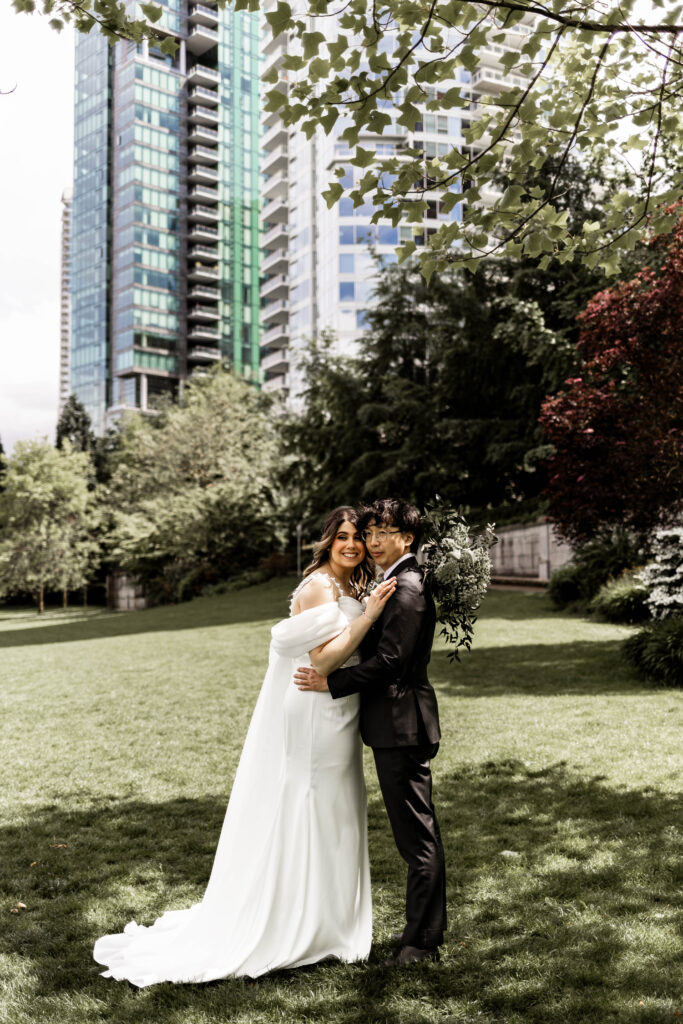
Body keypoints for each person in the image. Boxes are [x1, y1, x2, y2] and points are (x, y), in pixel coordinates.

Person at [93, 507, 396, 986]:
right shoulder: (321, 586)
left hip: (338, 711)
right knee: (313, 806)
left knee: (336, 809)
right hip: (317, 710)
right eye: (342, 537)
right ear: (327, 541)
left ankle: (326, 919)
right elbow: (324, 660)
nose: (352, 545)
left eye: (358, 537)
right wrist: (372, 615)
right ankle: (300, 924)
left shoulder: (350, 585)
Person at [294, 498, 446, 966]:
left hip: (401, 726)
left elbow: (390, 662)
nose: (374, 541)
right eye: (371, 531)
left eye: (385, 532)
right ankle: (422, 935)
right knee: (415, 834)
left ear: (408, 539)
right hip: (392, 725)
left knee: (416, 838)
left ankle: (419, 943)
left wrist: (330, 682)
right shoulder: (392, 582)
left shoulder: (407, 589)